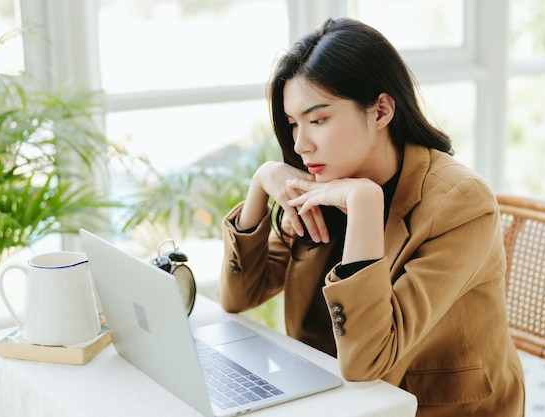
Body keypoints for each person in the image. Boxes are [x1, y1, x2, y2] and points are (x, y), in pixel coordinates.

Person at [217, 17, 525, 416]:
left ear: (380, 111)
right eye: (293, 124)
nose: (300, 144)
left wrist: (364, 205)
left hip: (428, 407)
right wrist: (260, 183)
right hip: (330, 393)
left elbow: (369, 361)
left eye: (318, 120)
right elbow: (238, 296)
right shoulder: (326, 180)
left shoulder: (460, 204)